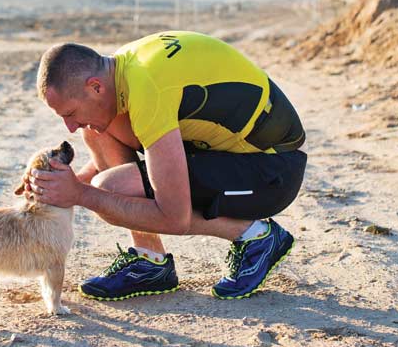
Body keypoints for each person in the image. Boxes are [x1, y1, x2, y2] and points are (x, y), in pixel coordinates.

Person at [25, 31, 307, 301]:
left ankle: (256, 236)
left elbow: (175, 218)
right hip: (231, 150)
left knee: (110, 189)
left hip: (273, 170)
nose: (69, 127)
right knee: (97, 129)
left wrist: (81, 195)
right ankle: (151, 262)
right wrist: (67, 182)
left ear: (95, 86)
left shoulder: (149, 89)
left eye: (71, 113)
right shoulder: (123, 67)